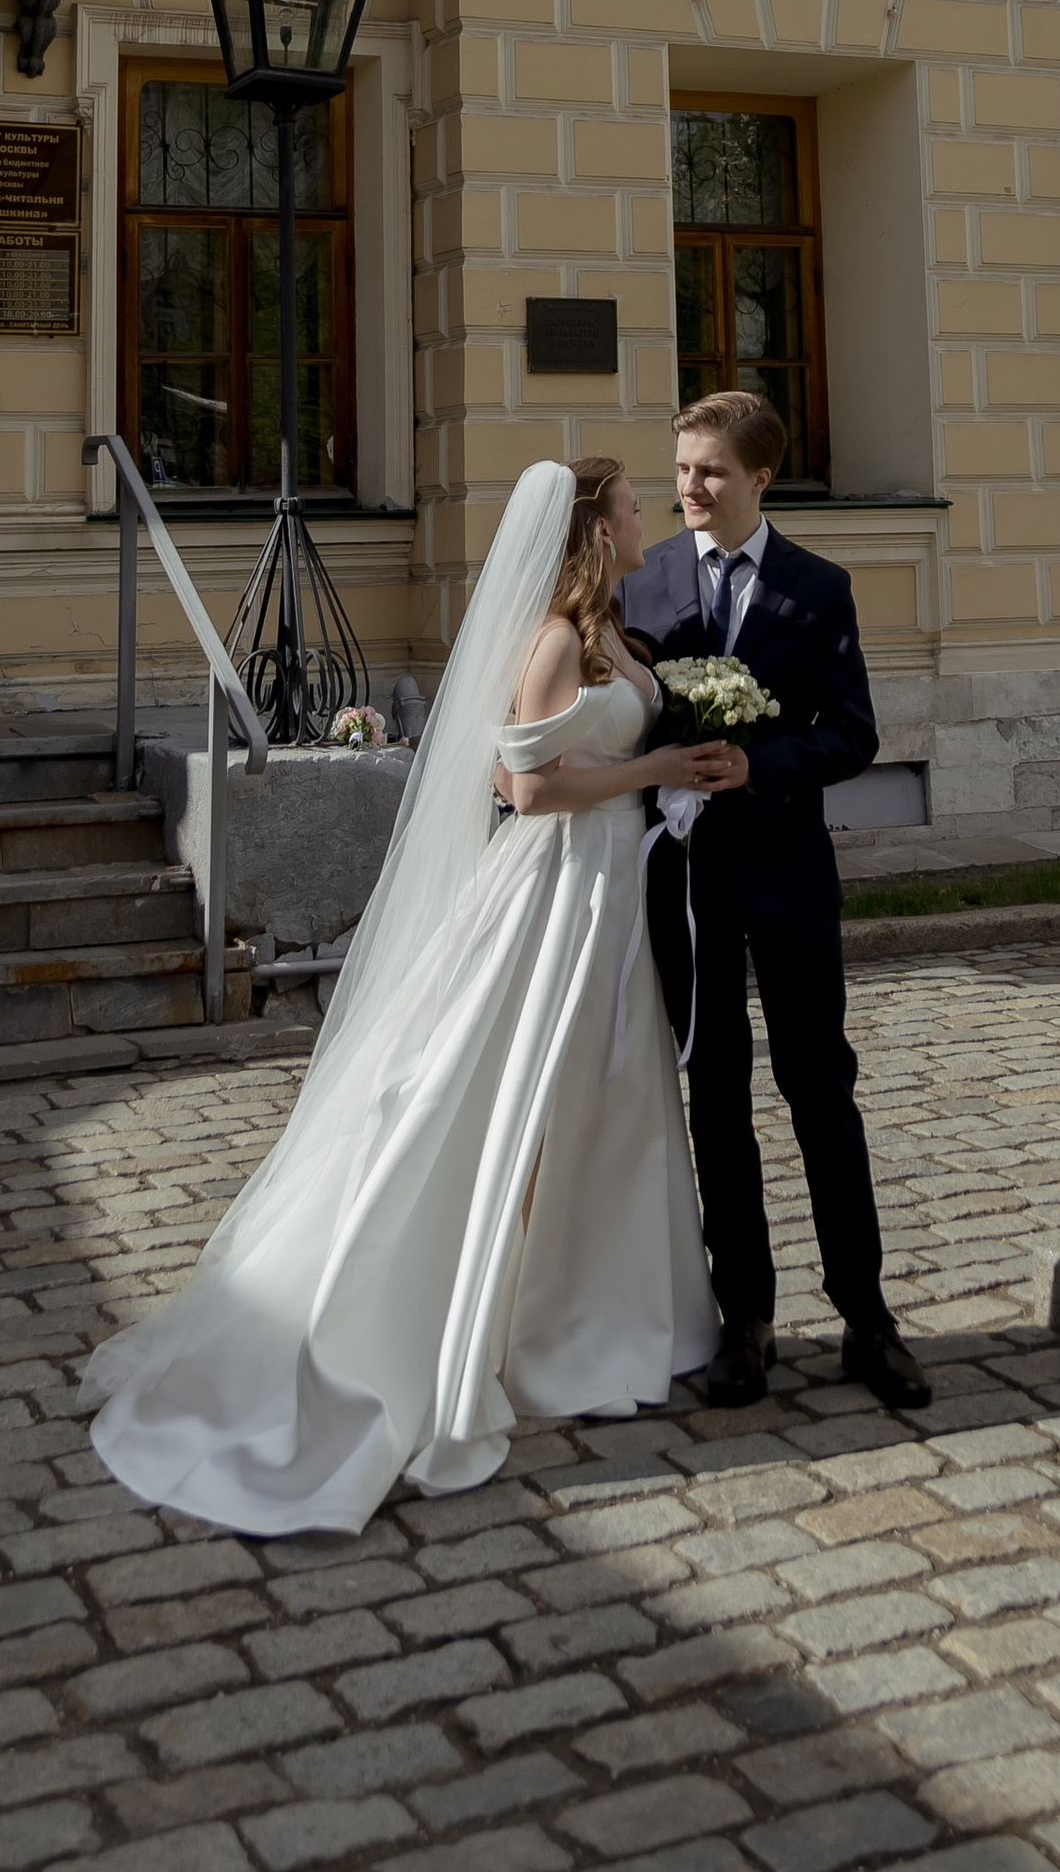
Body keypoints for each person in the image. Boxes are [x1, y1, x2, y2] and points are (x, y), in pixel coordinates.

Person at [82, 456, 726, 1534]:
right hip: (559, 887)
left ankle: (596, 1321)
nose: (642, 518)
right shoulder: (557, 641)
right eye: (628, 508)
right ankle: (485, 1325)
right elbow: (519, 784)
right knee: (507, 1099)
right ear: (591, 530)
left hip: (614, 890)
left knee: (608, 1102)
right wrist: (648, 776)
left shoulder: (611, 628)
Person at [621, 390, 928, 1412]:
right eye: (680, 470)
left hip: (788, 875)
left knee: (819, 1090)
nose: (690, 489)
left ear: (759, 478)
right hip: (686, 882)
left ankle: (866, 1315)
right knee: (714, 1097)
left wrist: (764, 765)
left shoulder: (819, 587)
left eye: (709, 470)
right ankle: (741, 1316)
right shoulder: (647, 581)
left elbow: (853, 732)